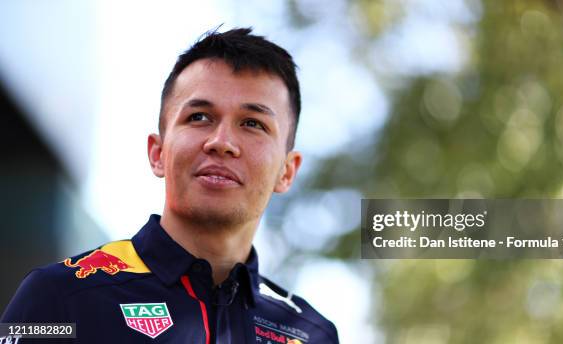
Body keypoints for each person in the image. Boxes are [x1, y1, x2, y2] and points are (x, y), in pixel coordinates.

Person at [1, 27, 339, 344]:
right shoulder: (58, 296)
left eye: (252, 123)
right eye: (199, 117)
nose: (221, 142)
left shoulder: (312, 333)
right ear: (158, 153)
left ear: (287, 170)